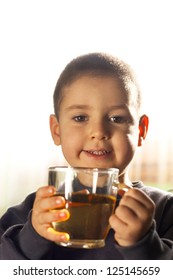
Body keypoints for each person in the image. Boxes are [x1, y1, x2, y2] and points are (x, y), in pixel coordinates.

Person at [0, 53, 173, 260]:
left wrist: (145, 245)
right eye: (80, 117)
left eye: (116, 118)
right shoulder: (32, 213)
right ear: (57, 131)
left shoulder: (164, 210)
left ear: (141, 131)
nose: (98, 131)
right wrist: (32, 237)